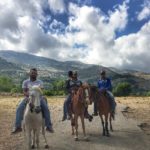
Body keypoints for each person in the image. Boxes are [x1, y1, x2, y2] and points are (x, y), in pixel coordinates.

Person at [11, 68, 54, 134]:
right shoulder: (25, 82)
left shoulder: (40, 82)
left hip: (38, 98)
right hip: (28, 97)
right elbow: (24, 91)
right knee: (19, 108)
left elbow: (41, 91)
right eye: (32, 73)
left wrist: (37, 95)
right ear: (29, 74)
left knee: (46, 108)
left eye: (35, 73)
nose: (33, 74)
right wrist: (29, 95)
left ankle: (48, 126)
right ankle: (18, 126)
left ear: (37, 74)